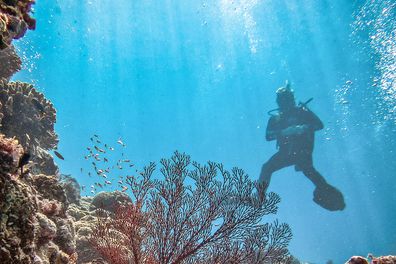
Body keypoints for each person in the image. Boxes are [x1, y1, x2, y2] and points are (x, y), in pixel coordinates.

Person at [259, 82, 345, 211]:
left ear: (292, 100)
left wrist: (304, 128)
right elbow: (268, 137)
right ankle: (259, 199)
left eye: (287, 100)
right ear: (278, 102)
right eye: (282, 101)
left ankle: (333, 200)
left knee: (307, 170)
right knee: (268, 168)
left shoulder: (303, 112)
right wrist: (284, 132)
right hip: (286, 152)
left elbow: (319, 125)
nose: (285, 104)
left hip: (302, 152)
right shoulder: (275, 119)